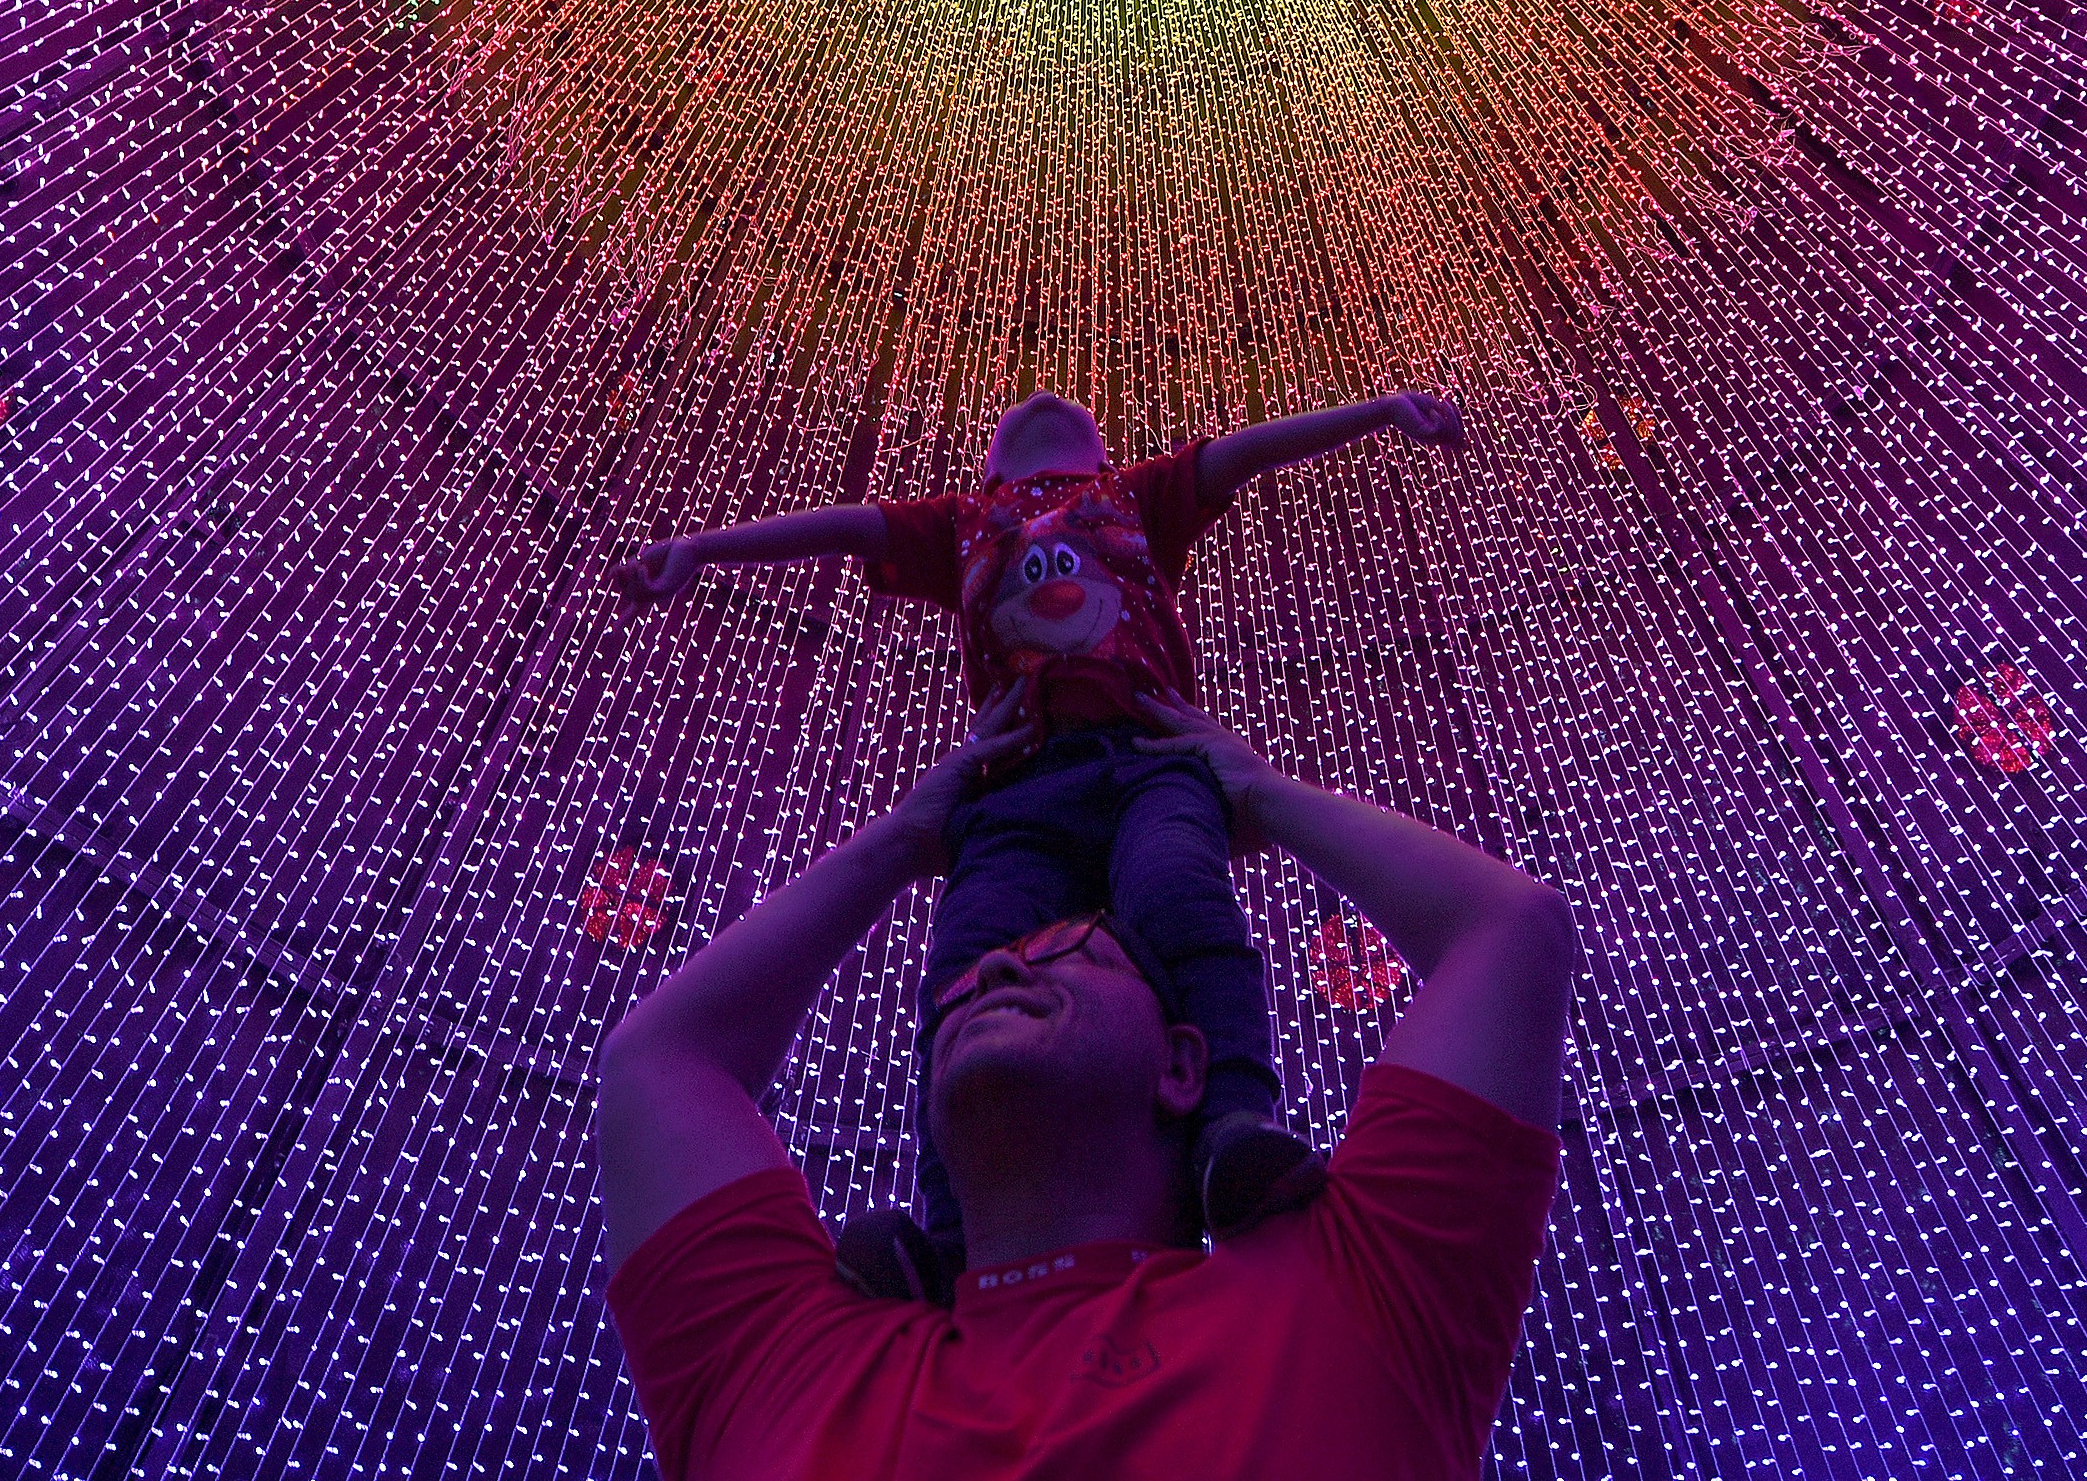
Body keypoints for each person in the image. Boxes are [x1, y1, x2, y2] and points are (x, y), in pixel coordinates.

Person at [594, 687, 1574, 1479]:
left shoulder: (1359, 1290)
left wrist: (1262, 791)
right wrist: (900, 838)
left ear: (1186, 1064)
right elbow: (655, 1054)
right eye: (973, 978)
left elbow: (1513, 925)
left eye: (1076, 953)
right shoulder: (785, 1355)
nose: (1000, 969)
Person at [613, 388, 1463, 1298]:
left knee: (1181, 899)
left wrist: (1377, 411)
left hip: (1153, 760)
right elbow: (843, 527)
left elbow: (1246, 451)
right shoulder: (957, 524)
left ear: (1099, 461)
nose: (1042, 398)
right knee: (972, 968)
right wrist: (704, 547)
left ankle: (1231, 1130)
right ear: (985, 472)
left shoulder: (1137, 495)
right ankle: (953, 1230)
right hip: (1012, 788)